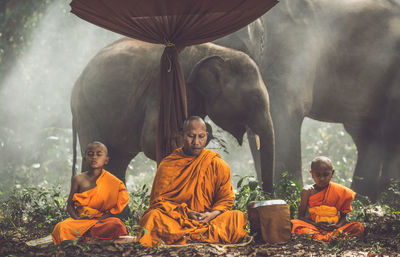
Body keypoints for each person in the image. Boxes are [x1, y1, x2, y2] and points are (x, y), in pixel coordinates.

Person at [138, 116, 247, 247]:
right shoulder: (169, 164)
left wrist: (211, 214)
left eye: (201, 136)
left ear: (206, 136)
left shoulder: (216, 164)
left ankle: (186, 237)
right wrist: (187, 213)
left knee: (237, 217)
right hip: (177, 220)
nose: (196, 142)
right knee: (152, 217)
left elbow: (225, 199)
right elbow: (158, 201)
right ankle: (200, 237)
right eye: (191, 136)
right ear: (182, 135)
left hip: (207, 220)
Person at [51, 141, 129, 245]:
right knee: (61, 227)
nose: (94, 157)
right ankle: (90, 238)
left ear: (106, 160)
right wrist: (77, 219)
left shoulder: (113, 181)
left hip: (101, 221)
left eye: (99, 154)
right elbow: (69, 205)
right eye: (90, 154)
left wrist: (100, 219)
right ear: (85, 158)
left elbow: (114, 210)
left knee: (116, 224)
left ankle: (84, 238)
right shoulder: (78, 179)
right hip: (80, 221)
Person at [291, 156, 364, 242]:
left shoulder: (340, 191)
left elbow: (344, 217)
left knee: (358, 226)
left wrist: (337, 226)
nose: (322, 178)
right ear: (312, 174)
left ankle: (323, 238)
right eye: (317, 175)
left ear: (332, 173)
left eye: (326, 174)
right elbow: (300, 217)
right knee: (294, 223)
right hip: (314, 227)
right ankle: (331, 238)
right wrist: (316, 224)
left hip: (334, 229)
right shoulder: (307, 191)